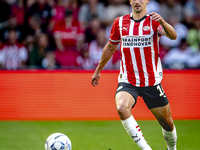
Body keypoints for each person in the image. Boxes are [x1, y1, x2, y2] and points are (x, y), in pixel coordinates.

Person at [91, 0, 177, 150]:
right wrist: (98, 70)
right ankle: (146, 148)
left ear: (146, 1)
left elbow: (173, 36)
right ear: (130, 1)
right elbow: (111, 47)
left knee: (167, 123)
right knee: (122, 107)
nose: (137, 1)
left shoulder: (154, 21)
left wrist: (162, 21)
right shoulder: (120, 22)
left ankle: (172, 148)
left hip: (151, 81)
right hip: (128, 80)